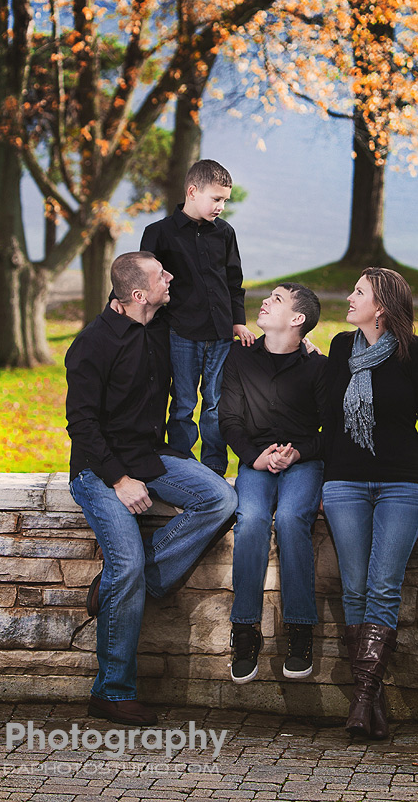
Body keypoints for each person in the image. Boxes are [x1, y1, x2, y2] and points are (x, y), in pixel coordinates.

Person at [66, 250, 238, 727]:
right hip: (99, 470)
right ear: (138, 294)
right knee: (126, 561)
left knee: (221, 497)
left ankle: (131, 582)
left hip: (151, 454)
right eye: (163, 274)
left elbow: (211, 317)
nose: (171, 277)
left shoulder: (160, 329)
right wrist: (119, 480)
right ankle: (112, 692)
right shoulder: (91, 345)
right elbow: (80, 425)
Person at [321, 267, 418, 741]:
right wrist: (324, 480)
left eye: (359, 292)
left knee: (381, 586)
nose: (349, 297)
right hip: (345, 485)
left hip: (401, 484)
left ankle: (360, 700)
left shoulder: (416, 356)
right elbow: (328, 421)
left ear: (381, 307)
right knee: (354, 587)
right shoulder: (340, 347)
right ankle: (368, 701)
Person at [219, 282, 326, 684]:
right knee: (250, 520)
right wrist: (255, 457)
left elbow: (331, 431)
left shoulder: (319, 367)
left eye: (276, 300)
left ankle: (300, 631)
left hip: (303, 460)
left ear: (297, 320)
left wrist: (297, 453)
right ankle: (245, 630)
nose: (264, 301)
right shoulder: (240, 357)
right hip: (256, 460)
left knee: (294, 519)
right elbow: (228, 418)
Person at [140, 158, 256, 476]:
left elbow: (234, 281)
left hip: (220, 334)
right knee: (183, 402)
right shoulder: (159, 234)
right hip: (181, 333)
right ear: (193, 191)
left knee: (216, 402)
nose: (221, 206)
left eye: (224, 201)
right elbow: (147, 281)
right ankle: (181, 462)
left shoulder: (225, 233)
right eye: (216, 199)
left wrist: (238, 320)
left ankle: (214, 465)